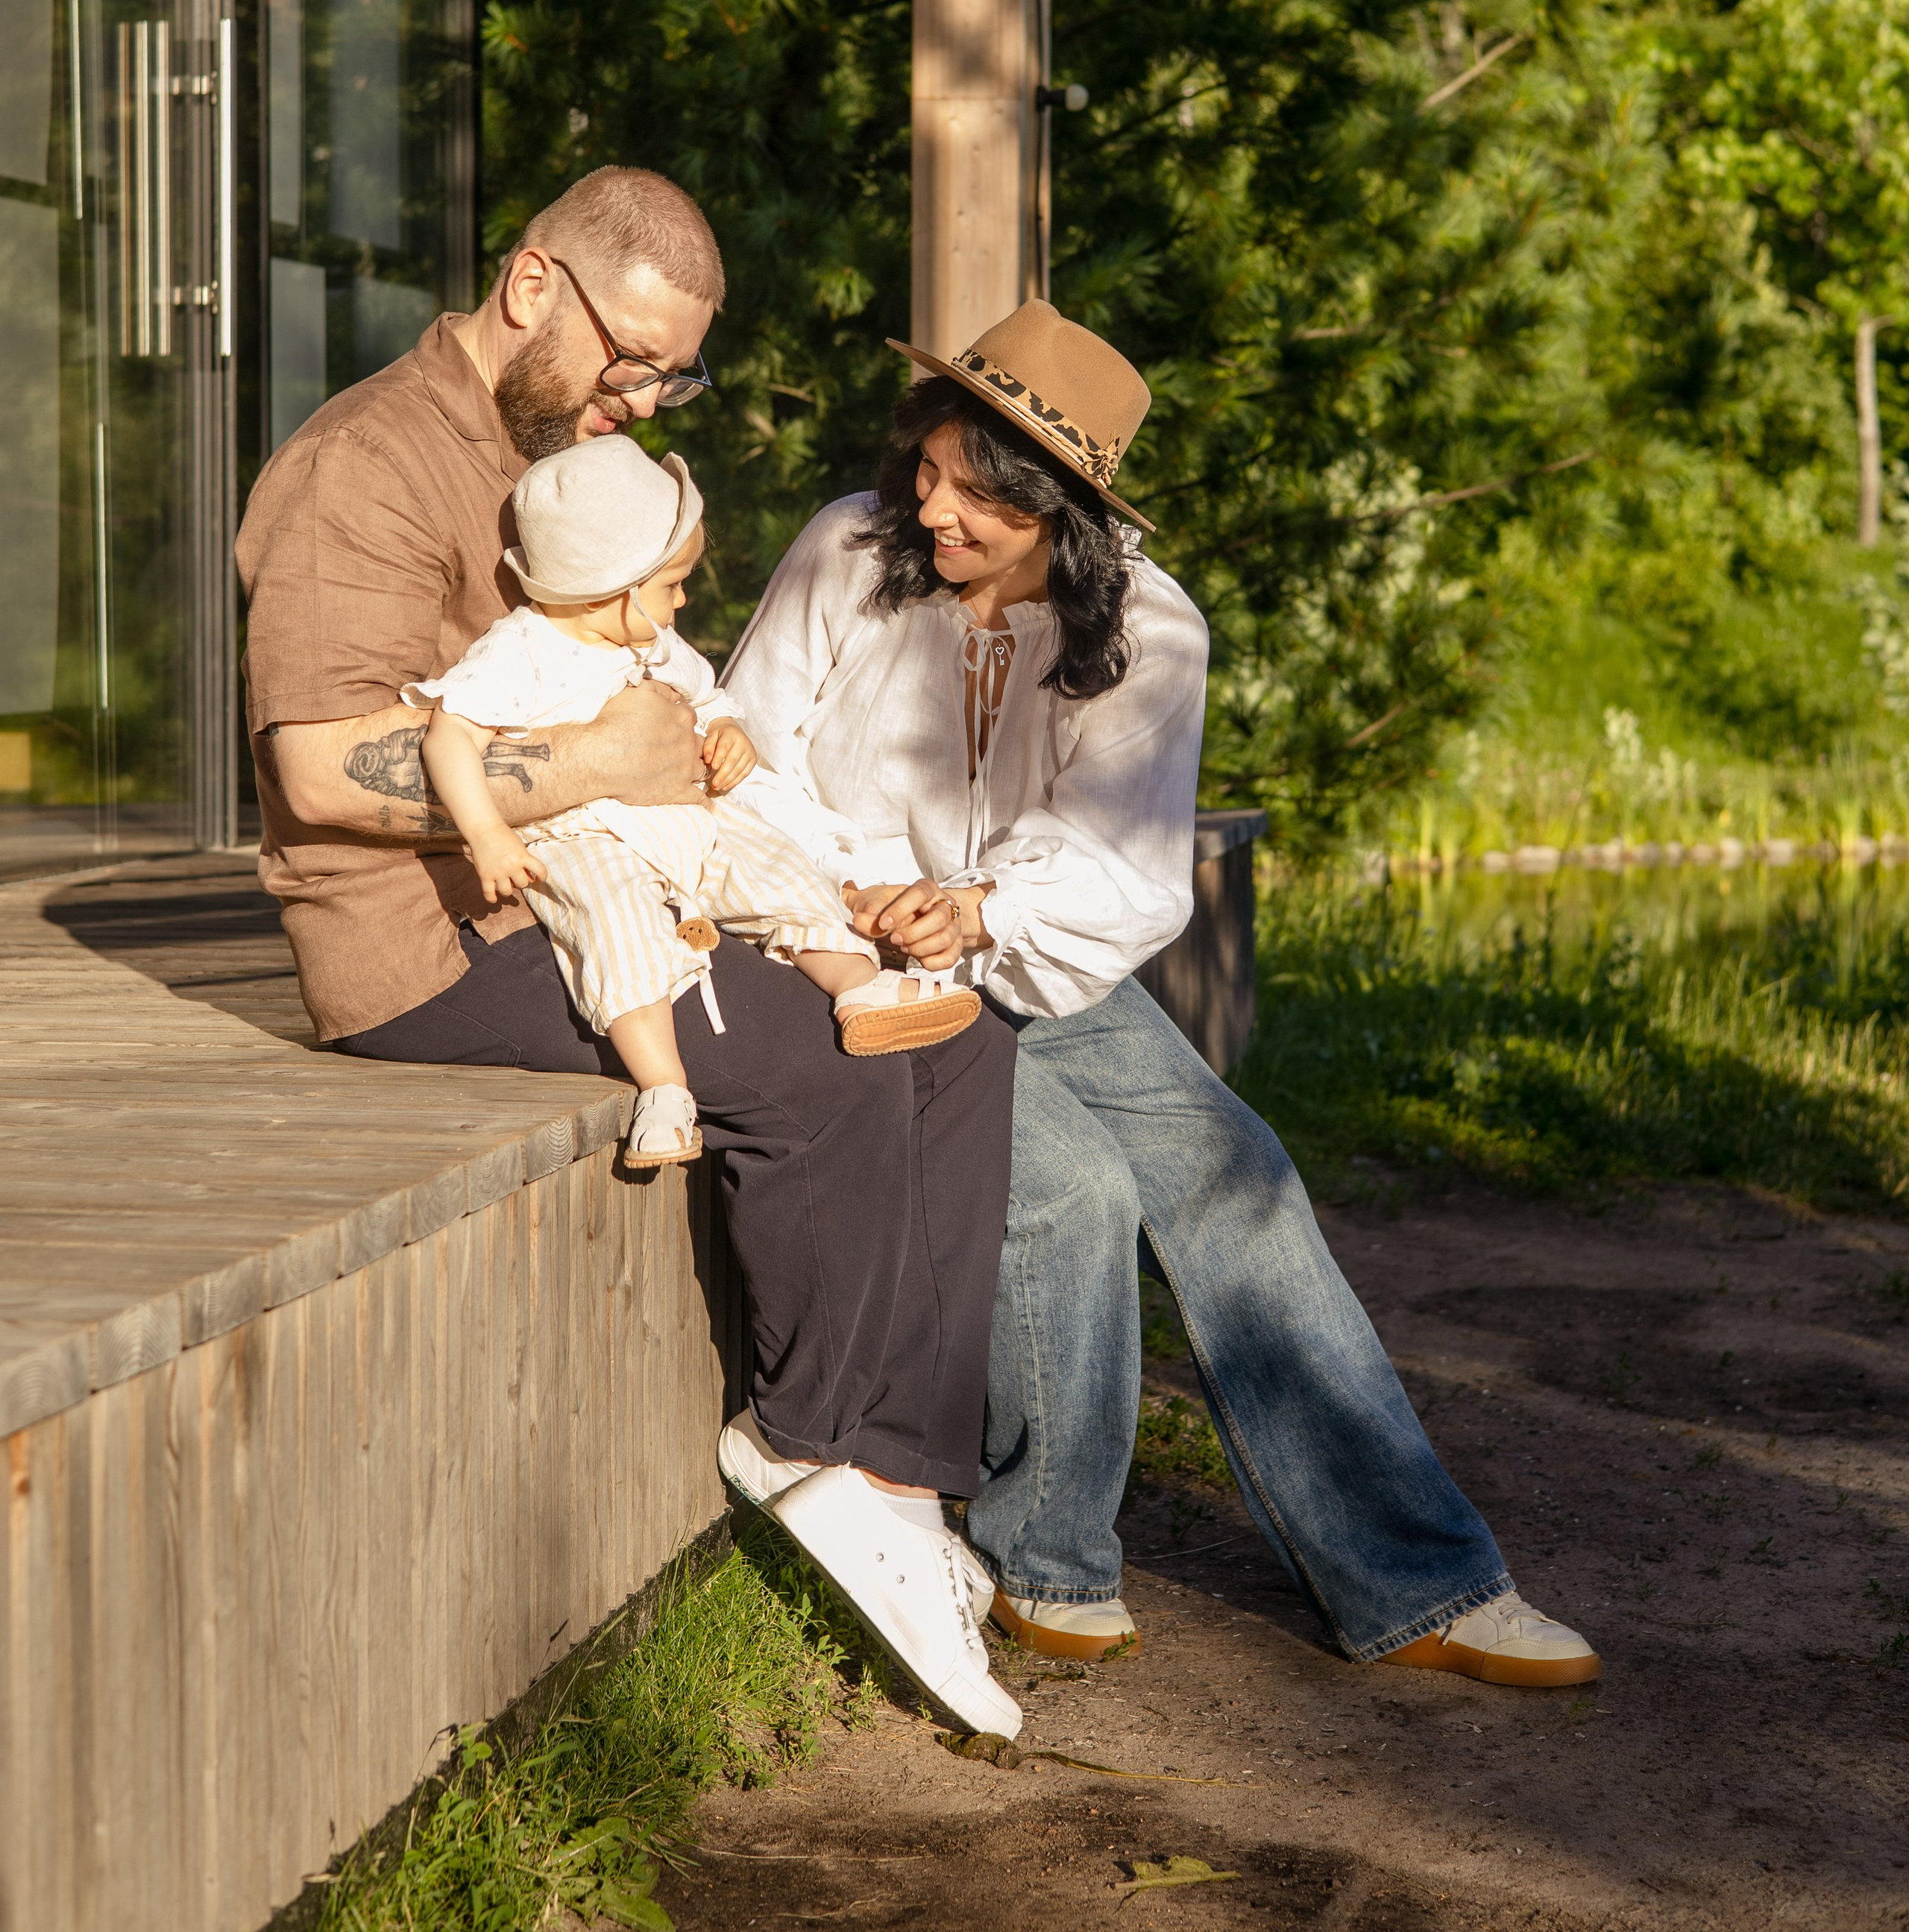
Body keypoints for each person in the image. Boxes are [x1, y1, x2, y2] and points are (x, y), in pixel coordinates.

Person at [236, 166, 1023, 1740]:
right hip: (435, 953)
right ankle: (805, 1443)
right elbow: (322, 768)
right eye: (630, 358)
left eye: (673, 371)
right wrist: (604, 768)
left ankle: (896, 1475)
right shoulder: (367, 466)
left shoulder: (552, 451)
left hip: (581, 885)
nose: (646, 394)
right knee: (814, 1067)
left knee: (955, 1029)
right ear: (532, 286)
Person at [721, 298, 1603, 1690]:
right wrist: (852, 893)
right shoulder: (850, 548)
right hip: (823, 946)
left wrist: (979, 908)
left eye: (973, 492)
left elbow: (1121, 873)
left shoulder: (1148, 629)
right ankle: (1045, 1559)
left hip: (1021, 948)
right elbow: (743, 755)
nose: (931, 506)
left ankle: (1421, 1584)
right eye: (927, 467)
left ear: (1056, 509)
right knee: (1070, 1182)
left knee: (1236, 1173)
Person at [409, 431, 971, 1165]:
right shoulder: (519, 652)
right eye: (672, 584)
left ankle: (859, 987)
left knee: (781, 869)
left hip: (686, 816)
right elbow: (449, 737)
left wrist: (728, 729)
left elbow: (708, 699)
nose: (684, 598)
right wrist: (486, 832)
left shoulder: (649, 641)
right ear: (613, 588)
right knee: (616, 934)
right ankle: (664, 1087)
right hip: (585, 837)